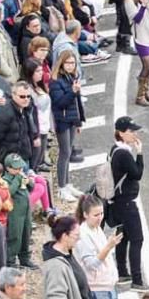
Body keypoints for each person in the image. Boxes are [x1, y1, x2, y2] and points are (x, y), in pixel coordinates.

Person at [109, 116, 149, 293]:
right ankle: (137, 280)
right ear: (121, 133)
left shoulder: (114, 150)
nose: (134, 134)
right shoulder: (124, 154)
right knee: (137, 239)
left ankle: (123, 272)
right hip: (126, 203)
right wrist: (139, 153)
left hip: (117, 202)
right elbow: (137, 174)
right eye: (131, 131)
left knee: (122, 237)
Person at [49, 51, 85, 202]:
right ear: (61, 64)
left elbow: (77, 104)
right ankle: (62, 187)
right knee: (64, 152)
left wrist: (79, 121)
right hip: (62, 120)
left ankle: (67, 183)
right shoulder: (56, 81)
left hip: (71, 119)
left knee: (68, 152)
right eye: (68, 63)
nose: (71, 66)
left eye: (73, 63)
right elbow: (60, 102)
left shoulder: (71, 77)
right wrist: (72, 91)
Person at [75, 194, 121, 299]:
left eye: (101, 213)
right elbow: (91, 264)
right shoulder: (83, 234)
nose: (100, 217)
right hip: (97, 289)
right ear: (85, 214)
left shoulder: (97, 229)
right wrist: (108, 247)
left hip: (108, 285)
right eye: (96, 215)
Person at [42, 214, 94, 299]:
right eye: (76, 235)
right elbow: (56, 298)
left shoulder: (67, 254)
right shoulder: (56, 266)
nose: (79, 238)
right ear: (64, 236)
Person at [0, 82, 36, 166]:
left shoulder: (26, 110)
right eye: (22, 96)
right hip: (8, 162)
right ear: (13, 95)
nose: (26, 99)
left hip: (23, 158)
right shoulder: (5, 113)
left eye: (28, 96)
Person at [1, 154, 34, 270]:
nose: (19, 170)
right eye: (16, 168)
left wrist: (28, 181)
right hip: (14, 212)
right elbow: (9, 192)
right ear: (8, 168)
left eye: (20, 167)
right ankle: (10, 260)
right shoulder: (5, 180)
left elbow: (32, 187)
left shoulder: (21, 175)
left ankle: (25, 258)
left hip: (25, 209)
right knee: (15, 235)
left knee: (26, 233)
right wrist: (18, 180)